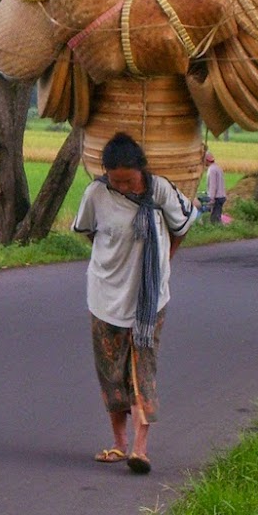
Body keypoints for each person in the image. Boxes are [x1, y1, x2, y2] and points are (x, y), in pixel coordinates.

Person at [72, 132, 197, 474]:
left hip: (149, 300)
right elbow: (86, 231)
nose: (123, 186)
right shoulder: (96, 193)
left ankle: (140, 448)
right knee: (110, 372)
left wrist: (164, 260)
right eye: (116, 180)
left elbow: (183, 225)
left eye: (128, 180)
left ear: (142, 170)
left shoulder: (160, 192)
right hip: (103, 295)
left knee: (142, 371)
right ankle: (118, 443)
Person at [205, 151, 226, 223]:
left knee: (215, 219)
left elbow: (213, 185)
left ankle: (218, 230)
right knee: (217, 216)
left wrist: (211, 199)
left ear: (206, 160)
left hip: (217, 197)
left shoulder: (212, 170)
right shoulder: (218, 167)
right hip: (222, 195)